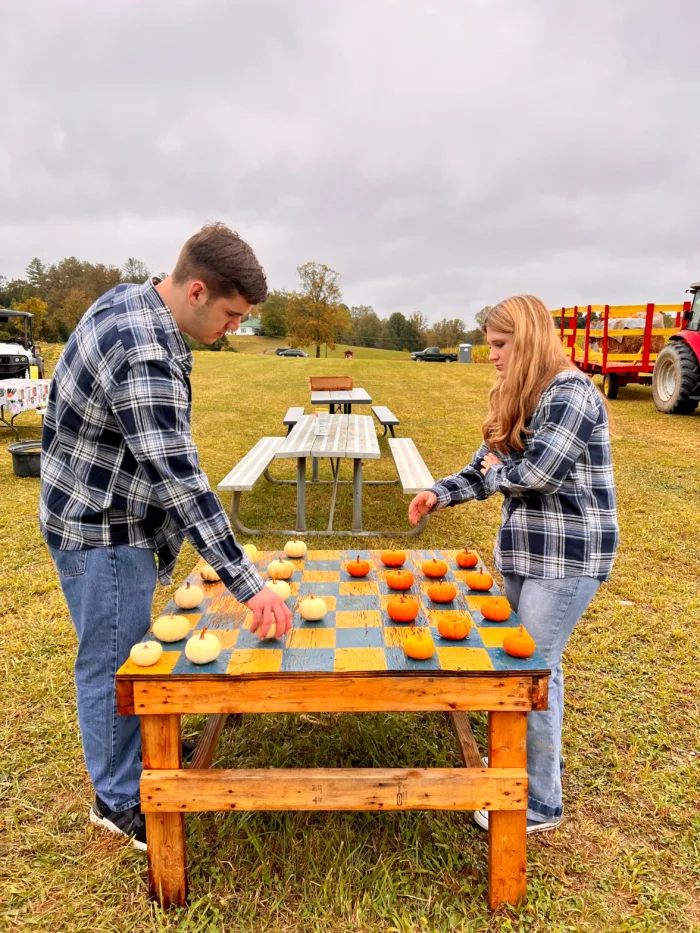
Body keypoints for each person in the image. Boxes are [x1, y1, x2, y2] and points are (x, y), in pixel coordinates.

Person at [40, 223, 292, 850]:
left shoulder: (138, 303)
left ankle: (131, 750)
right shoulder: (144, 347)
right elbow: (178, 476)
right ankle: (118, 797)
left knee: (123, 647)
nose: (233, 327)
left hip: (100, 509)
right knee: (111, 662)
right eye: (232, 314)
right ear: (199, 290)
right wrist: (248, 584)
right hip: (102, 527)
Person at [409, 295, 618, 833]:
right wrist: (441, 493)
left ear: (526, 339)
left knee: (531, 672)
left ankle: (540, 803)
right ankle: (523, 772)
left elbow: (539, 474)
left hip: (567, 557)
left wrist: (501, 468)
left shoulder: (571, 392)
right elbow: (486, 467)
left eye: (500, 345)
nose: (492, 355)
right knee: (522, 663)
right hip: (525, 549)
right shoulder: (519, 394)